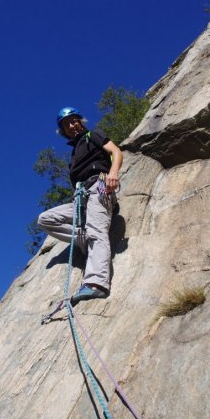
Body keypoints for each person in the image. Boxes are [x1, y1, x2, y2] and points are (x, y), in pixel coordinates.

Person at [38, 107, 123, 306]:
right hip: (80, 197)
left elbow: (116, 151)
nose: (71, 126)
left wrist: (113, 173)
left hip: (99, 186)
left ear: (80, 121)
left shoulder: (93, 135)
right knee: (45, 220)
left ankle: (96, 284)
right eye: (66, 125)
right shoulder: (75, 153)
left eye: (73, 121)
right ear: (64, 131)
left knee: (97, 230)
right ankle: (84, 239)